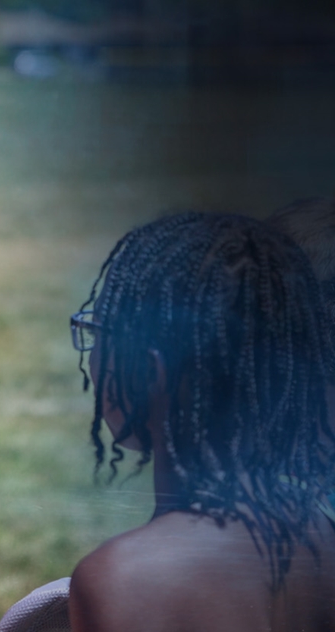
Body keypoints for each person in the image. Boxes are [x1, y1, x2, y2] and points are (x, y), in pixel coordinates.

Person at [66, 212, 335, 631]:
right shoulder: (321, 537)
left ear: (151, 374)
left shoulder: (125, 578)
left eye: (98, 330)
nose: (90, 349)